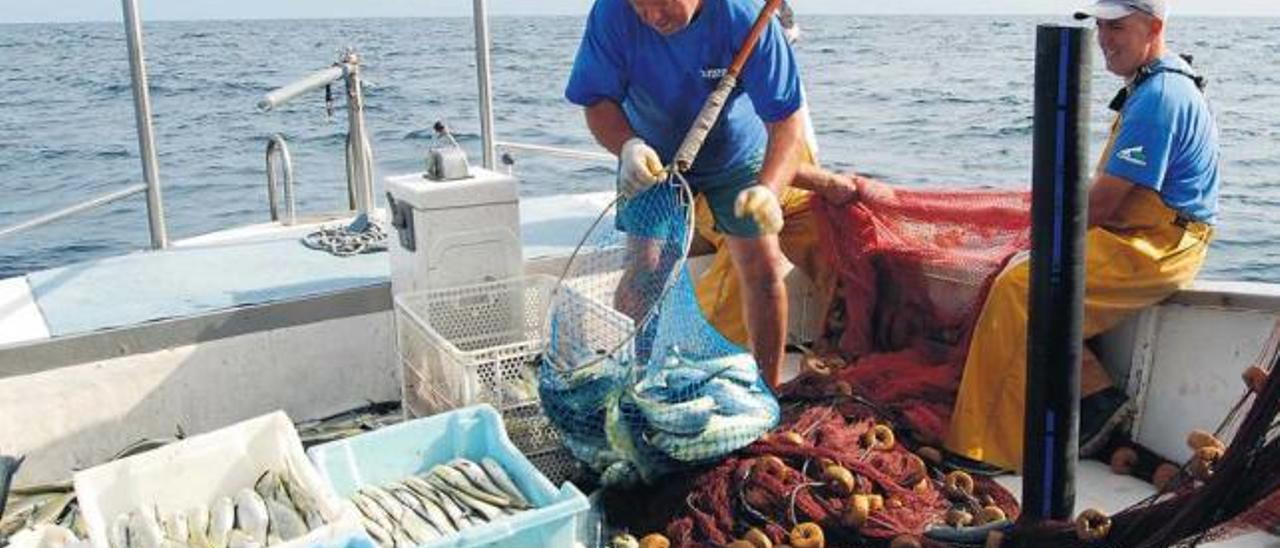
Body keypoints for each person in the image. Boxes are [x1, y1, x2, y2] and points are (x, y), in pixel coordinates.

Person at [945, 0, 1220, 472]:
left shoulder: (1160, 97)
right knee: (1027, 275)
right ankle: (1098, 401)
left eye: (1116, 26)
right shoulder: (1153, 83)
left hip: (1157, 246)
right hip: (1135, 235)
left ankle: (986, 450)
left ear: (1154, 26)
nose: (1103, 38)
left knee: (1020, 289)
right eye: (1099, 26)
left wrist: (1033, 241)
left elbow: (1104, 204)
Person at [565, 0, 810, 386]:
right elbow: (597, 100)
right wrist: (627, 146)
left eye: (663, 3)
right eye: (640, 7)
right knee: (645, 269)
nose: (652, 17)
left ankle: (769, 389)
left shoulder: (744, 16)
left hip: (733, 155)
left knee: (762, 268)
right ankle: (638, 384)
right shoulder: (612, 12)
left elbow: (786, 121)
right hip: (649, 156)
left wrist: (769, 190)